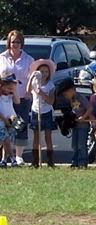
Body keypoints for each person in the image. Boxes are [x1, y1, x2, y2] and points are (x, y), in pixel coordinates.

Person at [0, 30, 34, 166]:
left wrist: (30, 92)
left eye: (18, 42)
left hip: (21, 97)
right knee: (3, 126)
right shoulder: (1, 57)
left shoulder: (29, 59)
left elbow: (32, 78)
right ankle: (4, 157)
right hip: (3, 97)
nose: (15, 44)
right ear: (9, 42)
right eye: (13, 42)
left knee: (20, 125)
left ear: (22, 44)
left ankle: (19, 156)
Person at [27, 59, 57, 168]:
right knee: (36, 136)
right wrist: (31, 78)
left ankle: (50, 161)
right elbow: (28, 91)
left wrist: (42, 93)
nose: (43, 74)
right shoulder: (35, 82)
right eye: (41, 71)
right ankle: (35, 160)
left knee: (48, 136)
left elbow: (51, 101)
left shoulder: (50, 85)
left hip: (46, 111)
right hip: (36, 110)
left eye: (46, 72)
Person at [57, 78, 91, 168]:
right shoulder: (71, 99)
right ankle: (75, 161)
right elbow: (75, 110)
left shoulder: (80, 97)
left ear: (72, 89)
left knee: (81, 144)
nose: (65, 96)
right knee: (74, 145)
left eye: (65, 93)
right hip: (75, 125)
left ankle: (82, 162)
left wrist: (83, 118)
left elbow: (90, 108)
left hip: (83, 125)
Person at [0, 72, 20, 168]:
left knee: (8, 141)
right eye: (8, 87)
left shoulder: (11, 94)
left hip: (12, 118)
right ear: (2, 85)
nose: (10, 90)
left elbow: (18, 101)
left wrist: (14, 91)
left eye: (12, 87)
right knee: (5, 140)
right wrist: (5, 120)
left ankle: (4, 160)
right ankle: (13, 159)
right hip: (2, 120)